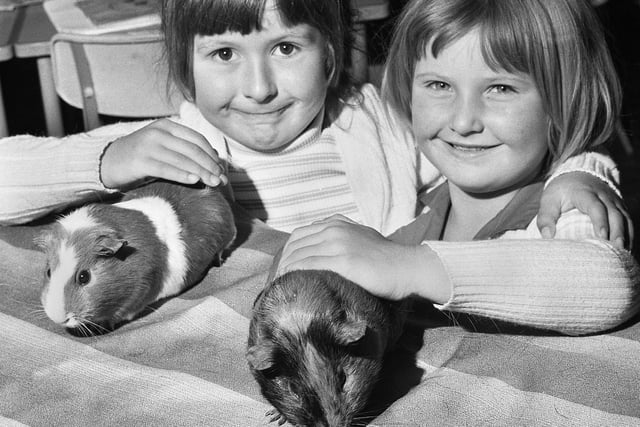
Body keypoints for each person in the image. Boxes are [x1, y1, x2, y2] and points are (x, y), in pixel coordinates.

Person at [0, 0, 629, 242]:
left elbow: (514, 147)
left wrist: (582, 173)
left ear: (331, 51)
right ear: (186, 66)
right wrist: (107, 162)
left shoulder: (376, 125)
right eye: (223, 54)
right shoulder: (174, 143)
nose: (258, 88)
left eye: (286, 49)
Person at [276, 0, 640, 335]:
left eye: (500, 88)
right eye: (438, 85)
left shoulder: (562, 208)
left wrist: (410, 268)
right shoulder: (422, 211)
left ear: (565, 102)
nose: (464, 121)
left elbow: (611, 282)